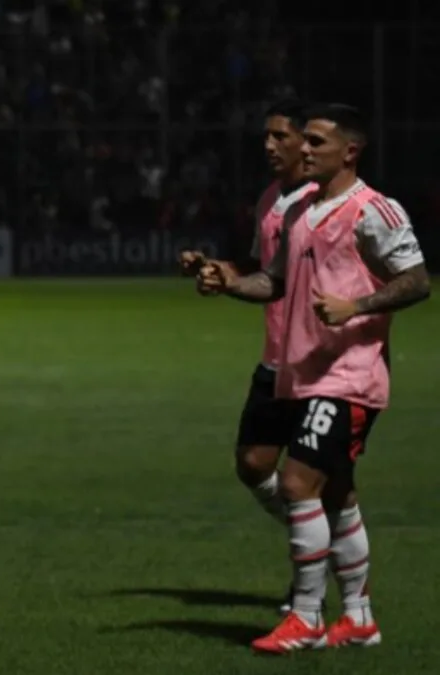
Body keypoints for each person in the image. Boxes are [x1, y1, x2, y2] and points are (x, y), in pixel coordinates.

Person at [198, 103, 429, 654]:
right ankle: (358, 617)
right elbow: (274, 282)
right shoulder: (301, 208)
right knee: (337, 495)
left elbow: (418, 281)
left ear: (350, 151)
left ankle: (305, 617)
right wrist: (229, 283)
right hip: (302, 373)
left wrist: (359, 304)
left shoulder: (374, 210)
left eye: (317, 143)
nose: (304, 149)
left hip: (349, 375)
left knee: (298, 483)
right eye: (306, 142)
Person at [179, 99, 317, 614]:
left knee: (318, 481)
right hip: (274, 358)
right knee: (253, 463)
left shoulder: (318, 202)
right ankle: (318, 543)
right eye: (266, 136)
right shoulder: (270, 198)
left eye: (281, 135)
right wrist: (219, 270)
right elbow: (267, 270)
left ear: (308, 142)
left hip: (314, 362)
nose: (269, 145)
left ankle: (317, 578)